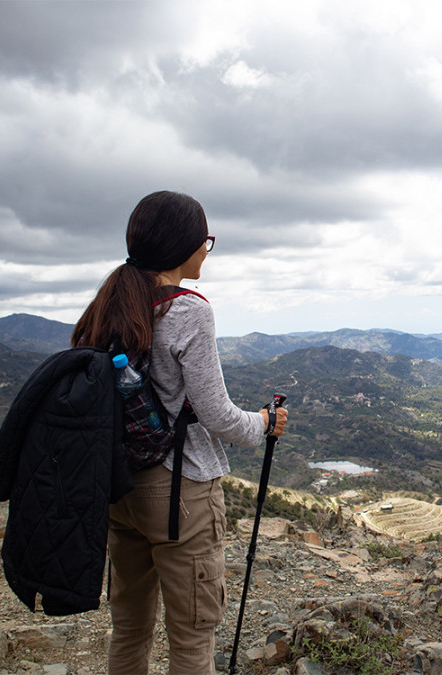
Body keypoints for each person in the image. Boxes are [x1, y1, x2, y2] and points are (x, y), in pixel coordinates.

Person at [71, 190, 287, 674]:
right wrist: (265, 423)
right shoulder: (189, 310)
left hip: (118, 486)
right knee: (192, 638)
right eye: (206, 241)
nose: (206, 251)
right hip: (180, 495)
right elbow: (218, 416)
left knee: (129, 628)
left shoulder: (109, 303)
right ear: (184, 246)